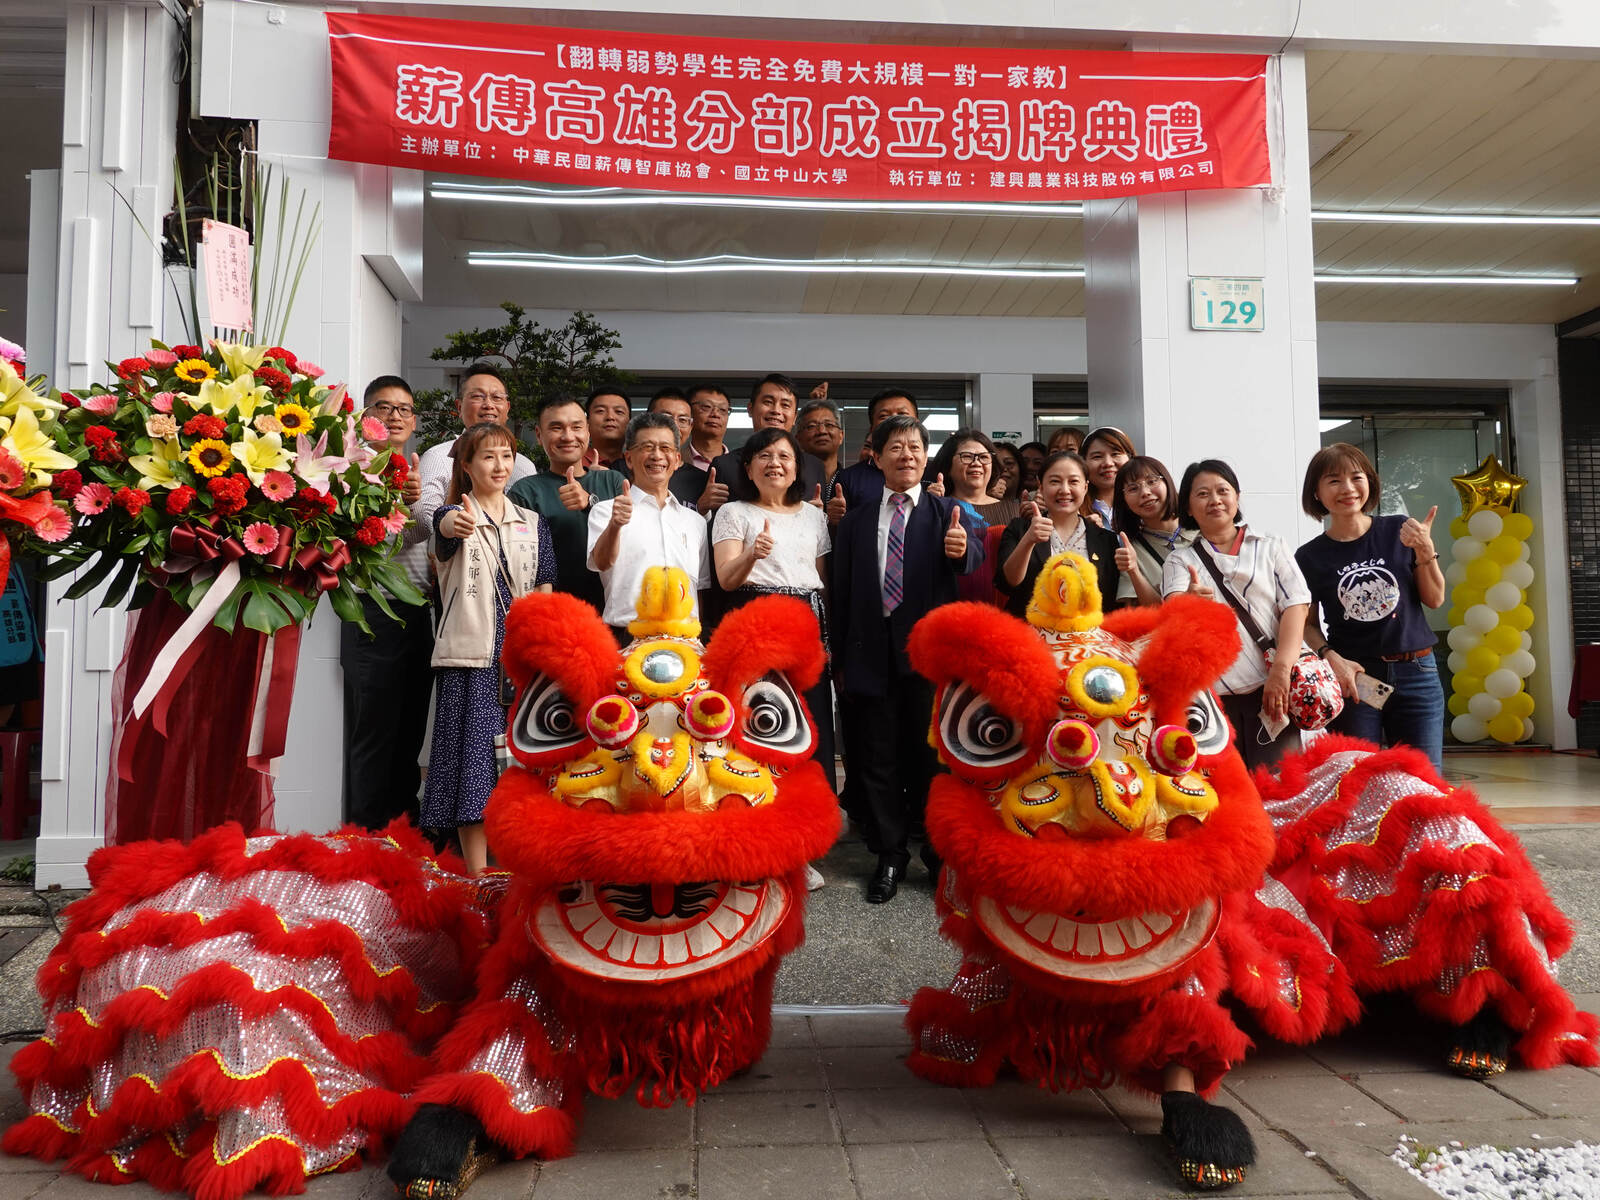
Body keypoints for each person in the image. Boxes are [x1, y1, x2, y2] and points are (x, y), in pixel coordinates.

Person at [831, 415, 983, 904]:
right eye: (896, 447)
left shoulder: (945, 514)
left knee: (931, 760)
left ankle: (937, 856)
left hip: (927, 658)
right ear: (876, 455)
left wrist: (961, 553)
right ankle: (890, 854)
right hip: (869, 656)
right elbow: (842, 593)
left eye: (916, 446)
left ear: (925, 455)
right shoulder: (855, 519)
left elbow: (973, 559)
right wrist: (842, 657)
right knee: (877, 760)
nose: (907, 455)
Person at [423, 422, 555, 875]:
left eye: (506, 456)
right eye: (487, 457)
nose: (499, 466)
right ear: (466, 465)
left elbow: (544, 591)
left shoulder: (533, 522)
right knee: (471, 768)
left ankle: (518, 869)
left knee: (524, 766)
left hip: (520, 663)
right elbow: (443, 531)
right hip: (471, 661)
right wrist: (452, 522)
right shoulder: (454, 514)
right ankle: (478, 876)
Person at [1295, 443, 1446, 770]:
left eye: (1356, 477)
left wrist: (1424, 551)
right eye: (1334, 480)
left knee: (1424, 780)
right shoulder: (1309, 556)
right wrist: (1330, 657)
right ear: (1317, 493)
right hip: (1357, 679)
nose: (1347, 488)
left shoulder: (1399, 530)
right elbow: (1305, 624)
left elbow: (1434, 599)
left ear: (1370, 484)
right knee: (1357, 779)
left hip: (1417, 672)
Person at [1162, 459, 1311, 772]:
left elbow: (1296, 606)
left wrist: (1281, 672)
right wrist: (1189, 602)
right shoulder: (1179, 560)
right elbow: (1172, 613)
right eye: (1202, 494)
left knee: (1282, 794)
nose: (1215, 500)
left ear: (1237, 497)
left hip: (1273, 692)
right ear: (1188, 507)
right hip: (1214, 706)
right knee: (1227, 799)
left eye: (1222, 490)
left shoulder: (1271, 546)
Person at [711, 427, 836, 792]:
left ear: (797, 469)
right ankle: (760, 800)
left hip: (808, 621)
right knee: (762, 714)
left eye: (784, 457)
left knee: (810, 714)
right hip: (755, 618)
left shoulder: (814, 517)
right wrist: (753, 553)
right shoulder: (733, 513)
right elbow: (726, 579)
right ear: (748, 469)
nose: (774, 464)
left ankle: (814, 804)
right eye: (764, 457)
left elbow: (821, 580)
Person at [340, 376, 432, 832]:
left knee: (409, 727)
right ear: (364, 415)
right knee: (374, 730)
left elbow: (418, 537)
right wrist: (407, 507)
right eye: (384, 407)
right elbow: (365, 542)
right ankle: (368, 833)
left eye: (404, 409)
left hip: (416, 610)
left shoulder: (409, 468)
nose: (395, 416)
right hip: (371, 610)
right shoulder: (347, 467)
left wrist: (414, 503)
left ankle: (403, 831)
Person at [587, 413, 712, 643]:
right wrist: (615, 525)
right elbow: (601, 562)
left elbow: (700, 590)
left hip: (686, 642)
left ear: (676, 459)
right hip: (626, 638)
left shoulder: (695, 521)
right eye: (647, 447)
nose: (656, 455)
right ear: (629, 458)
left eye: (665, 448)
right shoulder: (606, 511)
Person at [507, 395, 627, 616]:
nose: (568, 436)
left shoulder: (613, 482)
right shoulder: (525, 492)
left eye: (576, 427)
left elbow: (633, 538)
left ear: (588, 432)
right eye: (556, 428)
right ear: (539, 435)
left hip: (611, 613)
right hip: (552, 616)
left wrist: (591, 502)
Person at [414, 363, 537, 542]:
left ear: (507, 408)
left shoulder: (524, 466)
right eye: (478, 396)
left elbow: (532, 529)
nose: (488, 405)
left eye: (497, 397)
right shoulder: (438, 458)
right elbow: (425, 529)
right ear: (459, 406)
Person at [997, 450, 1117, 618]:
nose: (1064, 490)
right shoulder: (1020, 529)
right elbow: (1007, 583)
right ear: (1041, 486)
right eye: (1055, 481)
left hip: (1088, 637)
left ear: (1085, 487)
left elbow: (1111, 600)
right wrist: (1028, 541)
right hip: (1030, 635)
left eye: (1073, 481)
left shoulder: (1106, 540)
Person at [705, 373, 827, 508]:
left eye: (785, 405)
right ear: (750, 409)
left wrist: (822, 516)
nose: (776, 410)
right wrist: (704, 508)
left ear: (795, 416)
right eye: (768, 402)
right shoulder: (723, 466)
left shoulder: (814, 466)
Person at [1111, 455, 1193, 607]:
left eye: (1152, 481)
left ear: (1166, 481)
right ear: (1123, 500)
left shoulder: (1201, 528)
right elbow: (1148, 614)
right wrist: (1134, 570)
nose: (1145, 492)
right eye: (1133, 488)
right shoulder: (1131, 550)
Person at [829, 388, 922, 519]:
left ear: (917, 423)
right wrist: (835, 520)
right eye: (884, 416)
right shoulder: (848, 478)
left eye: (902, 413)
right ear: (872, 427)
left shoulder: (933, 474)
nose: (894, 420)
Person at [1081, 426, 1137, 528]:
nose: (1108, 463)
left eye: (1115, 454)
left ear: (1130, 457)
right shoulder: (1073, 506)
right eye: (1097, 456)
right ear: (1083, 462)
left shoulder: (1143, 503)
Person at [796, 397, 846, 499]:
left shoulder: (852, 481)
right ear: (798, 439)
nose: (822, 431)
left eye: (829, 425)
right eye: (811, 426)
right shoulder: (790, 482)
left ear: (841, 436)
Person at [585, 388, 631, 469]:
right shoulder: (574, 464)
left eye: (619, 411)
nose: (610, 417)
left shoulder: (637, 466)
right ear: (587, 421)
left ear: (630, 422)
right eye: (600, 411)